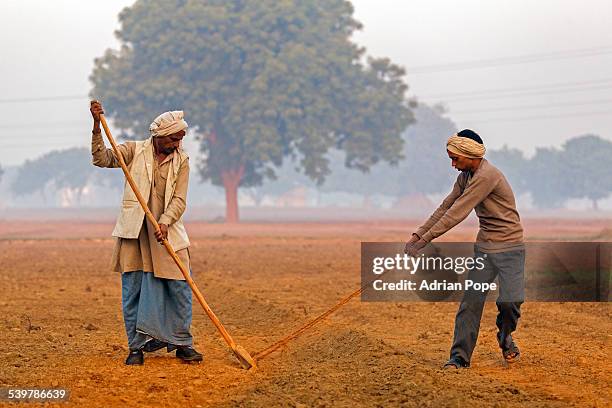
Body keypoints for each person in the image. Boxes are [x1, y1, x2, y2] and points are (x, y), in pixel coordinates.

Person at [90, 101, 203, 365]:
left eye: (181, 139)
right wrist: (97, 126)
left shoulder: (182, 160)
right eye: (174, 138)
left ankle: (182, 343)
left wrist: (165, 221)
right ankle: (136, 348)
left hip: (167, 234)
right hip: (135, 234)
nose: (177, 144)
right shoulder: (134, 150)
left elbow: (179, 200)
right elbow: (101, 159)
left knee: (179, 287)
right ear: (160, 136)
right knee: (133, 291)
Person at [405, 129, 525, 369]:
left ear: (471, 155)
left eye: (455, 159)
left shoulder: (487, 176)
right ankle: (459, 358)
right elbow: (445, 207)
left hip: (510, 248)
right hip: (485, 250)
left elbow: (457, 213)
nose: (453, 164)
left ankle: (505, 335)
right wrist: (417, 235)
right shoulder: (465, 177)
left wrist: (425, 241)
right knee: (471, 302)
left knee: (510, 302)